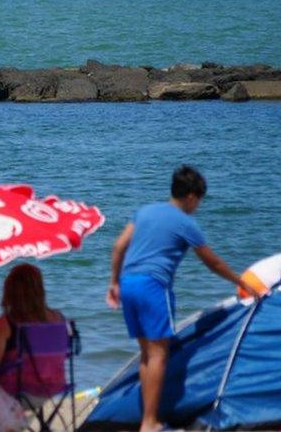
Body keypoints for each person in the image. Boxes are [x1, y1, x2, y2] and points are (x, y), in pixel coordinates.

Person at [106, 165, 260, 432]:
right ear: (191, 197)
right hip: (153, 286)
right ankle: (150, 423)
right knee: (159, 355)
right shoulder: (185, 223)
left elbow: (119, 246)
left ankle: (148, 418)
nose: (197, 206)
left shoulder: (144, 211)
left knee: (147, 354)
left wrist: (114, 282)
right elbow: (212, 262)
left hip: (129, 283)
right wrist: (240, 281)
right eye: (199, 200)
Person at [0, 263, 65, 395]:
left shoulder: (7, 323)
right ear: (40, 289)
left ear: (10, 290)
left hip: (17, 390)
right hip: (54, 387)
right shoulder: (59, 318)